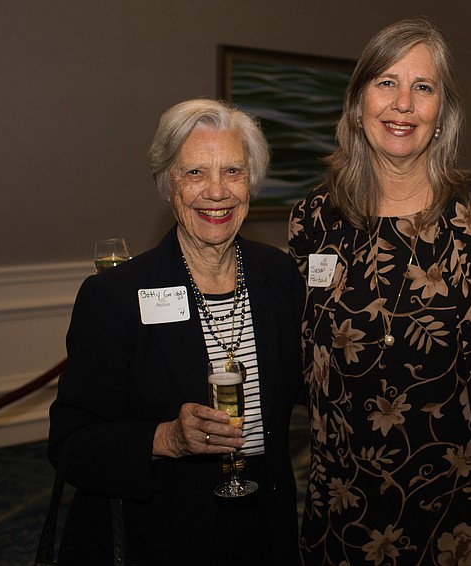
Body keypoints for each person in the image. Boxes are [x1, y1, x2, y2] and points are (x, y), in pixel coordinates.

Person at [287, 17, 471, 565]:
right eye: (386, 82)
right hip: (346, 499)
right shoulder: (315, 217)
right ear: (358, 104)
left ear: (442, 112)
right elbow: (295, 347)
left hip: (464, 502)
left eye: (423, 87)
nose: (403, 104)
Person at [47, 98, 303, 564]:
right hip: (162, 535)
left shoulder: (279, 277)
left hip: (265, 527)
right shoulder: (115, 295)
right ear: (169, 184)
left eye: (232, 171)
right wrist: (167, 439)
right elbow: (71, 444)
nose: (216, 191)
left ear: (251, 181)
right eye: (195, 173)